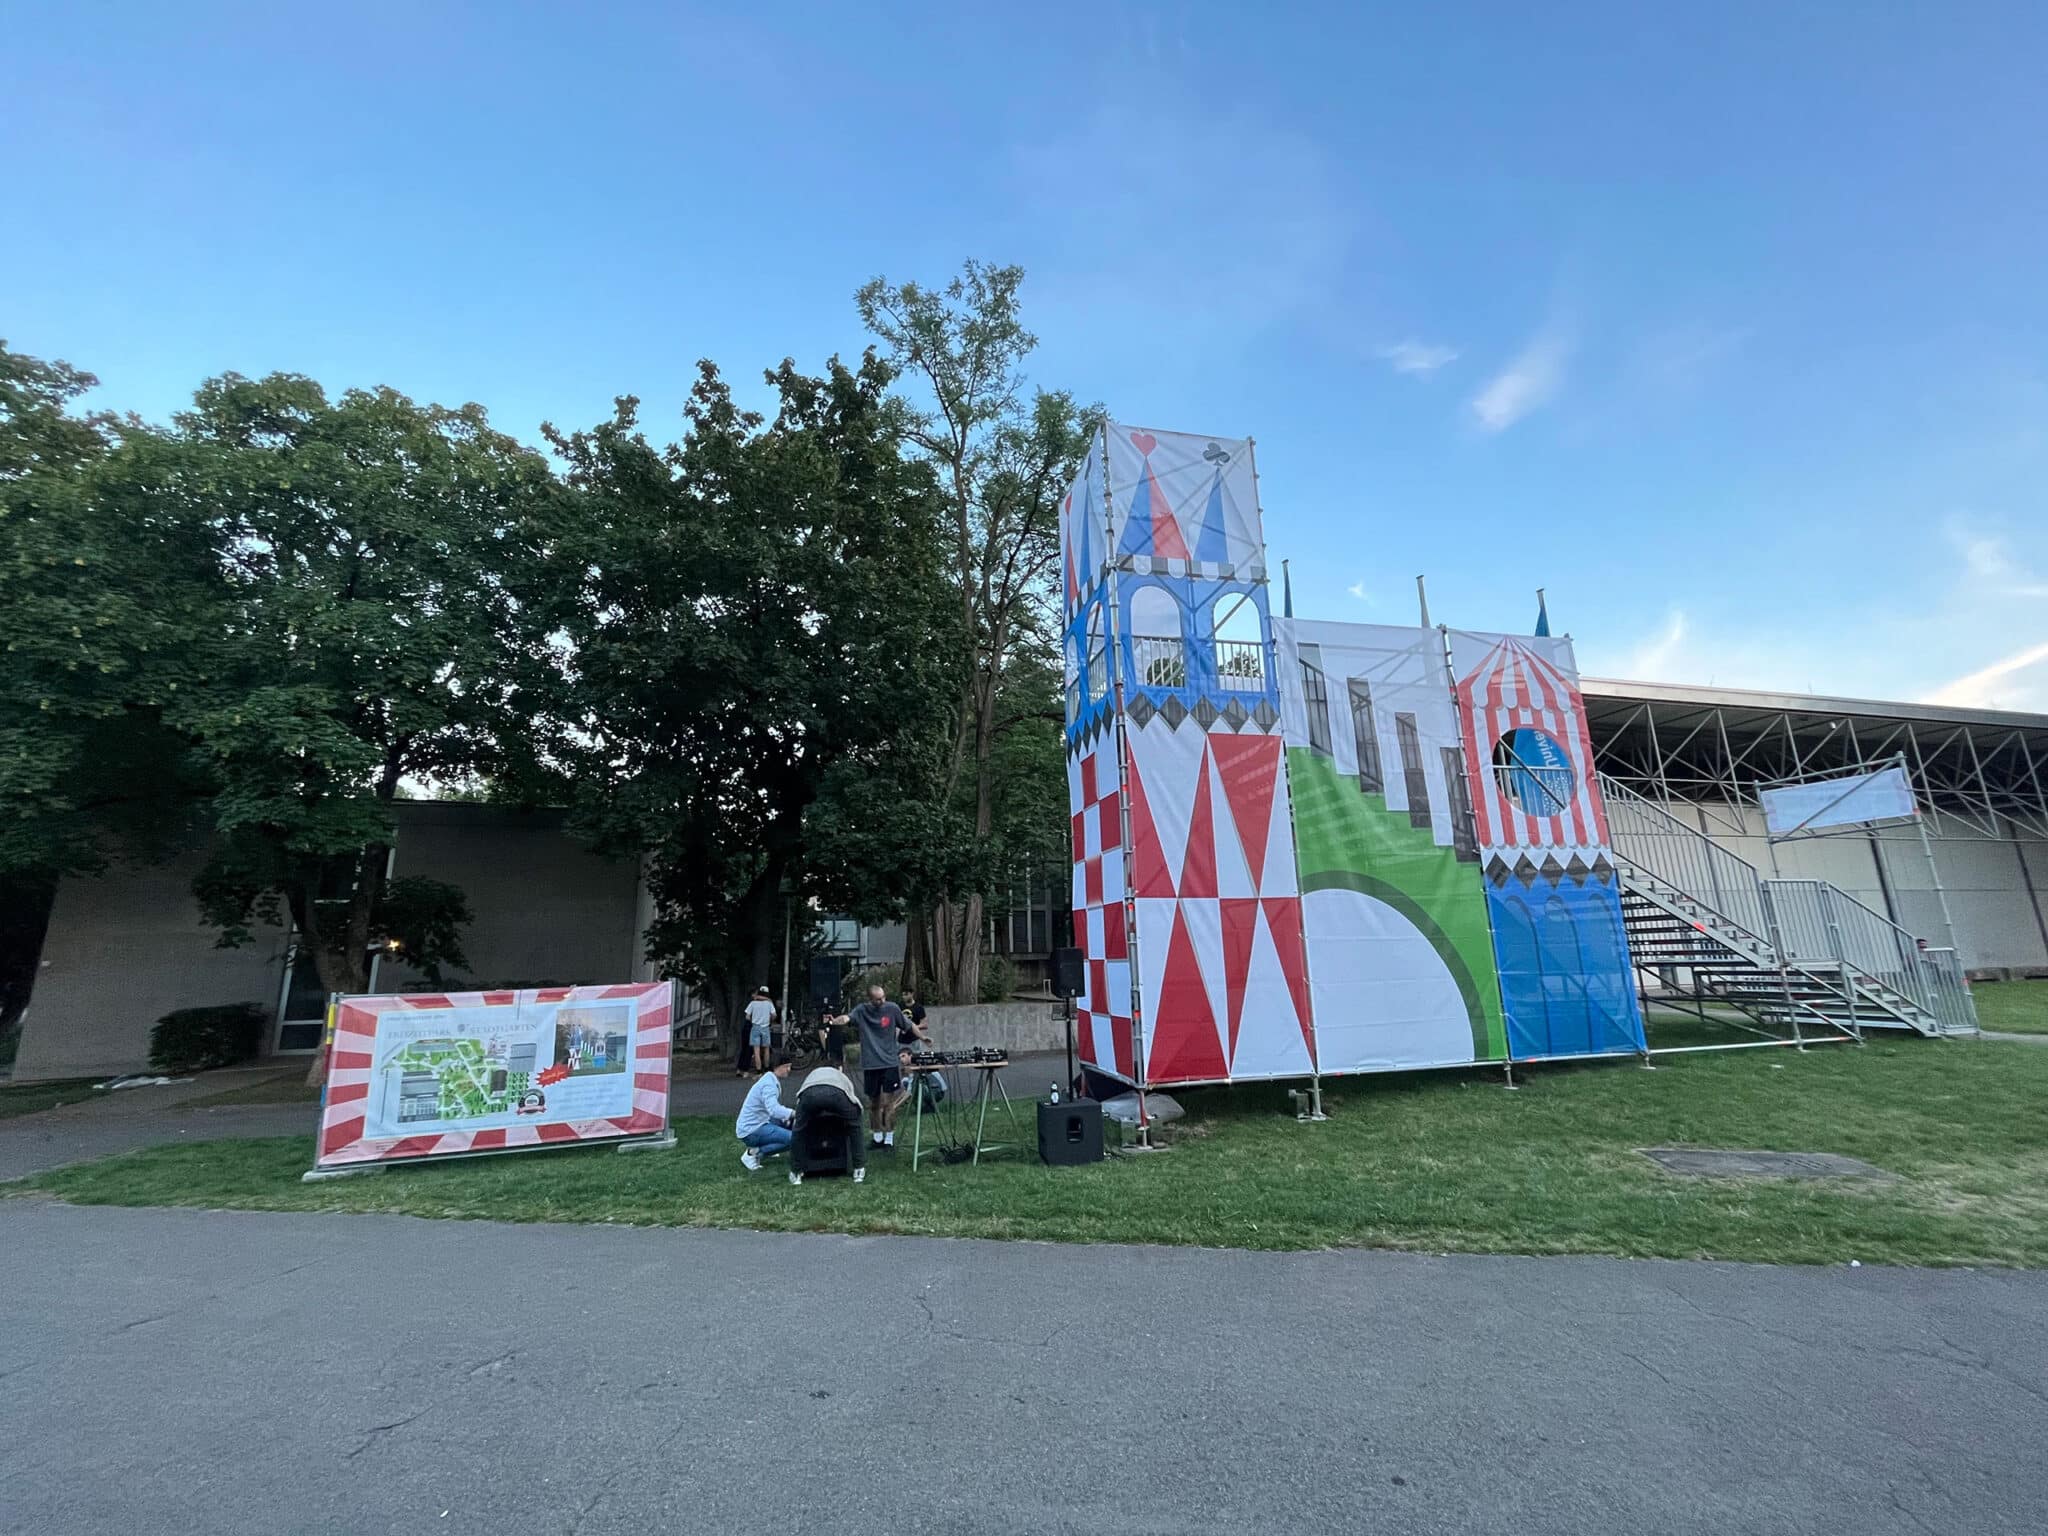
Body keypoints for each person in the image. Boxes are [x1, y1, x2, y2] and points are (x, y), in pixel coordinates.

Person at [830, 984, 921, 1150]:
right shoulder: (862, 1010)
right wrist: (835, 1021)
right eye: (878, 999)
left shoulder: (892, 1009)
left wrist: (923, 1037)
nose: (882, 1001)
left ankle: (889, 1139)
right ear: (870, 999)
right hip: (871, 1065)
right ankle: (877, 1137)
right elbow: (847, 1018)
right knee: (873, 1104)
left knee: (889, 1103)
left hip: (889, 1063)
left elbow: (909, 1025)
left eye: (883, 997)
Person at [736, 1051, 795, 1171]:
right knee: (794, 1139)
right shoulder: (769, 1085)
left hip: (759, 1122)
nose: (789, 1069)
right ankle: (753, 1154)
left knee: (788, 1124)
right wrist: (793, 1113)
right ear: (777, 1067)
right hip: (751, 1130)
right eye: (786, 1066)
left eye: (789, 1066)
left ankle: (768, 1146)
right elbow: (774, 1110)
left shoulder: (769, 1079)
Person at [743, 986, 777, 1074]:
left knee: (756, 1050)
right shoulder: (769, 1004)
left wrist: (753, 1020)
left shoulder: (753, 1003)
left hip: (755, 1027)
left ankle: (758, 1070)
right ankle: (766, 1067)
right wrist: (769, 1020)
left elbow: (747, 1016)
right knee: (766, 1049)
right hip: (765, 1027)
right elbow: (774, 1015)